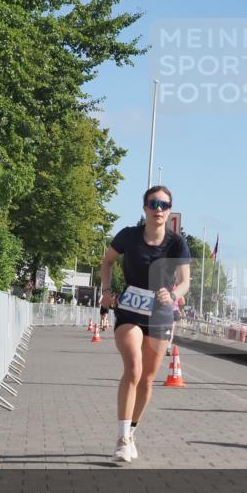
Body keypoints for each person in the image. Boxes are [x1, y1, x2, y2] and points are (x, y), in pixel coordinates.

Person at [99, 186, 191, 464]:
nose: (159, 209)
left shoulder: (177, 243)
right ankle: (122, 438)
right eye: (154, 203)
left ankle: (132, 432)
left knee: (148, 378)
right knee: (134, 368)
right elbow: (107, 262)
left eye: (164, 204)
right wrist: (106, 289)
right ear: (145, 208)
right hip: (130, 310)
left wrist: (173, 294)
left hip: (161, 314)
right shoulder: (128, 236)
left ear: (169, 209)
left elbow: (186, 281)